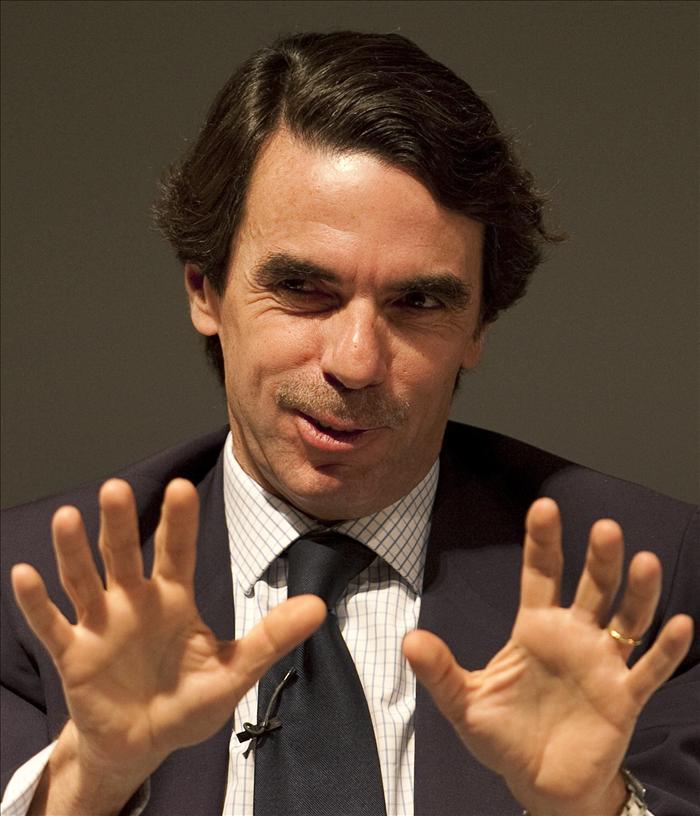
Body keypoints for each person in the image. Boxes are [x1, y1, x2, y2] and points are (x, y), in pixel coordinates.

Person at [1, 30, 698, 816]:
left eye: (419, 301)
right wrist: (89, 781)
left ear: (479, 325)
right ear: (206, 291)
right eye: (304, 289)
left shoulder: (655, 589)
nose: (357, 362)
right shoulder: (20, 596)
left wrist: (594, 806)